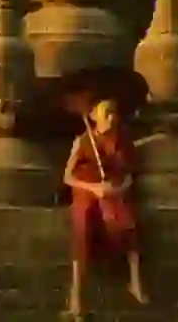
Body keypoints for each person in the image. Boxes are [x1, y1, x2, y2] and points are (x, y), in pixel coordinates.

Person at [55, 66, 150, 318]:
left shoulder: (123, 140)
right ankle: (76, 298)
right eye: (106, 113)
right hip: (87, 191)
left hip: (114, 191)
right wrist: (93, 188)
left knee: (126, 220)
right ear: (93, 115)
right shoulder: (82, 141)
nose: (112, 118)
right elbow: (67, 176)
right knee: (83, 224)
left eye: (115, 113)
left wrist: (118, 189)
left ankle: (135, 283)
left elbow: (130, 174)